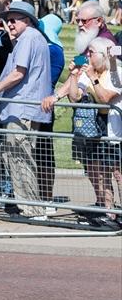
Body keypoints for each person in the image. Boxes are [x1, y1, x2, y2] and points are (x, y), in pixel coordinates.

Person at [0, 2, 52, 218]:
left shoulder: (29, 36)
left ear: (28, 20)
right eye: (7, 20)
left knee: (21, 159)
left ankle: (33, 208)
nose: (9, 24)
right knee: (17, 158)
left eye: (14, 19)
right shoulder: (27, 38)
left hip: (23, 109)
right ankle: (28, 207)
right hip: (20, 108)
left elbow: (18, 74)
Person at [46, 39, 121, 228]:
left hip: (114, 127)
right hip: (94, 128)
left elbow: (105, 98)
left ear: (103, 55)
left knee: (118, 173)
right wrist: (73, 76)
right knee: (100, 172)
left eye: (91, 53)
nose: (87, 56)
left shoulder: (116, 72)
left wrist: (92, 78)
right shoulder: (87, 74)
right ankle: (109, 211)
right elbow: (75, 97)